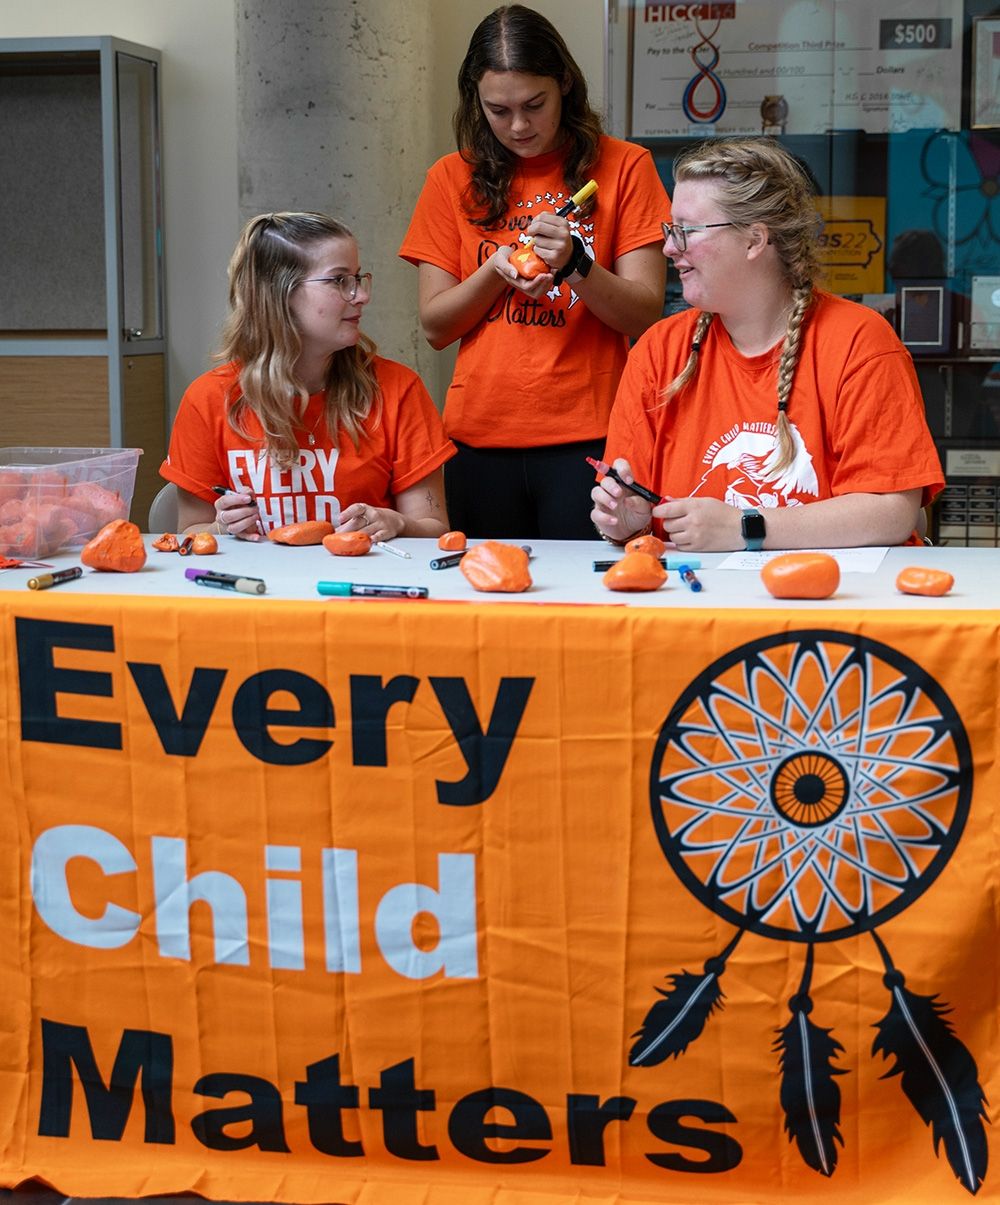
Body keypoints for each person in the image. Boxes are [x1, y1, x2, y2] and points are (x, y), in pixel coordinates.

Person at [591, 137, 944, 551]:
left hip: (834, 603)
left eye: (686, 231)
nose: (669, 248)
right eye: (671, 230)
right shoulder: (658, 351)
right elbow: (630, 503)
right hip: (703, 604)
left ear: (755, 240)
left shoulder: (858, 341)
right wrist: (626, 522)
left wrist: (746, 528)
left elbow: (893, 511)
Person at [399, 4, 670, 540]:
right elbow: (434, 327)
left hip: (591, 436)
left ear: (564, 84)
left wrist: (575, 264)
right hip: (477, 439)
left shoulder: (625, 166)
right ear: (476, 101)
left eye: (534, 104)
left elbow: (643, 313)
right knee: (483, 611)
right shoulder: (450, 177)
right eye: (498, 110)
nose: (518, 126)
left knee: (586, 610)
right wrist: (495, 271)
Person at [161, 212, 455, 542]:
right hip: (257, 590)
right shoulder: (209, 399)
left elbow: (434, 529)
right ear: (278, 294)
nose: (361, 295)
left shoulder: (398, 389)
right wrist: (222, 527)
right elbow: (189, 531)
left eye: (357, 278)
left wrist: (397, 524)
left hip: (360, 587)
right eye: (339, 280)